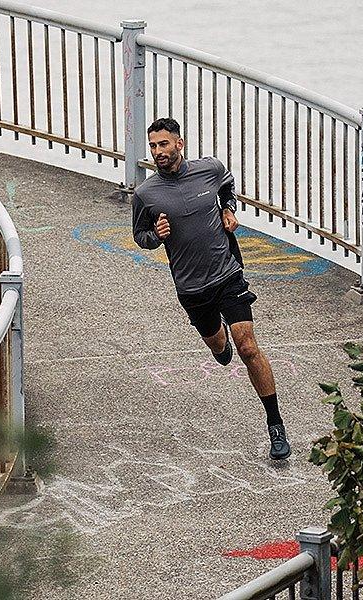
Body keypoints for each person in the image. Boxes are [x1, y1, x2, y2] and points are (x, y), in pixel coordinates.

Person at [131, 117, 291, 460]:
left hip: (227, 273)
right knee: (220, 346)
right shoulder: (145, 194)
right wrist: (155, 236)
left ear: (180, 144)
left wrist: (230, 210)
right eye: (153, 146)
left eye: (164, 144)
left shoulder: (210, 169)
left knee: (248, 347)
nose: (158, 152)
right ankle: (219, 346)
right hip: (191, 288)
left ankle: (275, 424)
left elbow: (227, 187)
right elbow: (140, 236)